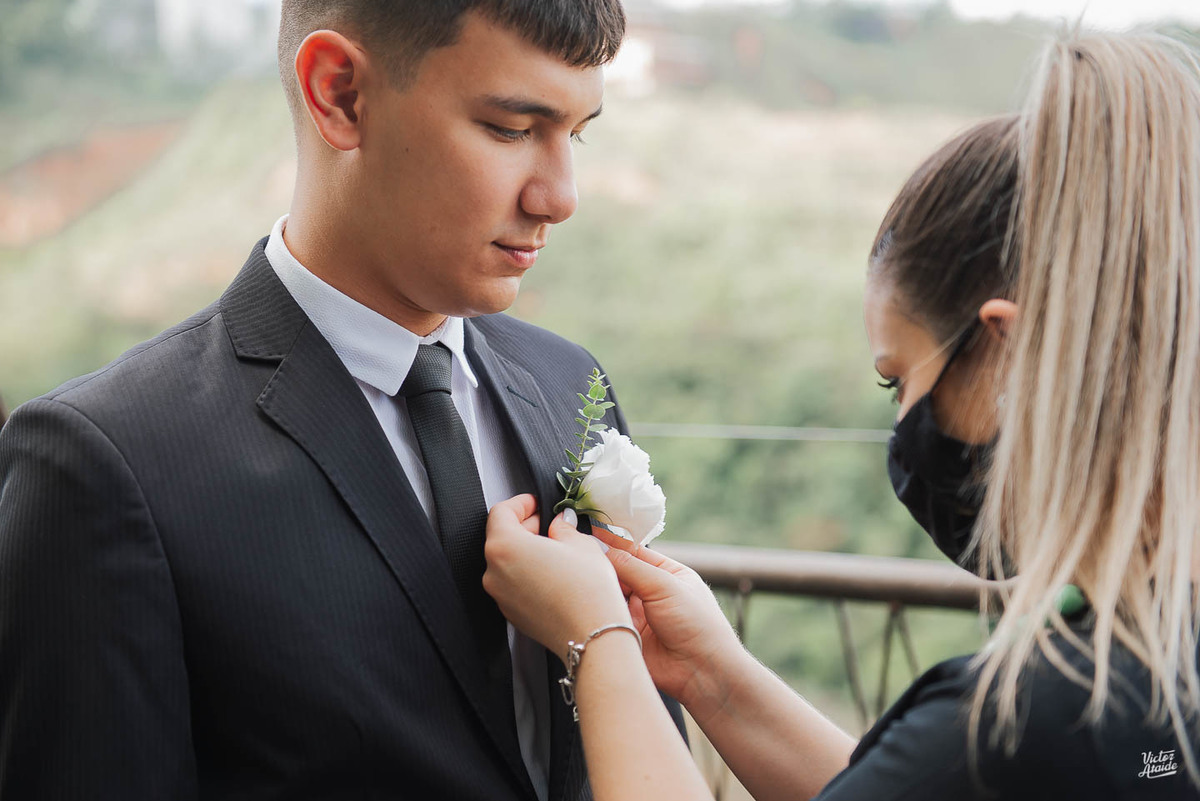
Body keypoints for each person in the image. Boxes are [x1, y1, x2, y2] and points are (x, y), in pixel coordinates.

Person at [482, 31, 1200, 800]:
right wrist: (709, 673)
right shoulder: (1151, 664)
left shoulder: (1020, 723)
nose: (904, 424)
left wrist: (600, 640)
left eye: (901, 381)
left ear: (1009, 355)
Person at [0, 1, 683, 799]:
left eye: (577, 133)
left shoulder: (571, 386)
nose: (560, 196)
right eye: (509, 128)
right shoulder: (103, 463)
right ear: (340, 95)